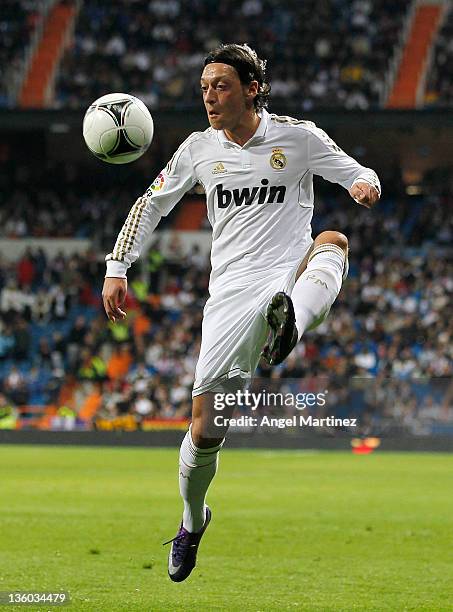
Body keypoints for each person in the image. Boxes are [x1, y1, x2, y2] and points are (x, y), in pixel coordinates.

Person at [102, 43, 380, 582]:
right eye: (204, 87)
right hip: (231, 290)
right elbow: (150, 202)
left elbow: (355, 171)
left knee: (333, 240)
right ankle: (191, 521)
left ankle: (291, 323)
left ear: (252, 88)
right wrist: (118, 264)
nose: (209, 96)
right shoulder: (198, 150)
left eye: (221, 85)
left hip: (288, 269)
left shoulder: (298, 138)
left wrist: (365, 184)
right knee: (206, 428)